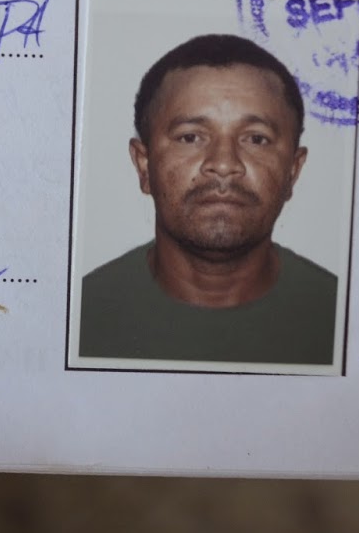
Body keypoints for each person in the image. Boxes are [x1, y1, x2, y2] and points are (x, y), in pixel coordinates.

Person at [78, 33, 338, 366]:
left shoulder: (346, 319)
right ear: (144, 166)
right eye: (190, 137)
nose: (224, 164)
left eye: (256, 139)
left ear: (293, 170)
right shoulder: (77, 315)